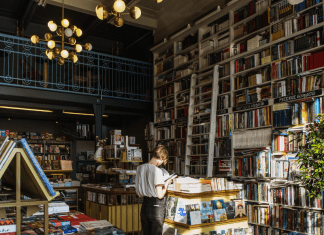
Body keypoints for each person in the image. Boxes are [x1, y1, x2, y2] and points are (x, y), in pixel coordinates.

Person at [135, 145, 173, 235]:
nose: (162, 163)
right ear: (161, 157)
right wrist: (166, 184)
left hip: (144, 205)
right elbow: (159, 195)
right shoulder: (157, 171)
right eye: (163, 160)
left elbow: (138, 192)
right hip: (156, 206)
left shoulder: (140, 168)